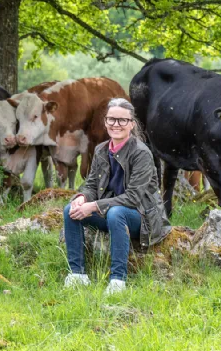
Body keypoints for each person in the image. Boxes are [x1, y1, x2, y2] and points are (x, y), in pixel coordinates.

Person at [63, 98, 171, 295]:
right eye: (111, 119)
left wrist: (93, 206)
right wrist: (83, 198)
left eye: (122, 120)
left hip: (143, 217)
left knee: (116, 213)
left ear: (132, 124)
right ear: (105, 122)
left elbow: (133, 197)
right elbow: (91, 185)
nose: (116, 124)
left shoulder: (141, 153)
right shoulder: (101, 150)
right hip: (111, 212)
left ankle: (117, 281)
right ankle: (77, 275)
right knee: (71, 210)